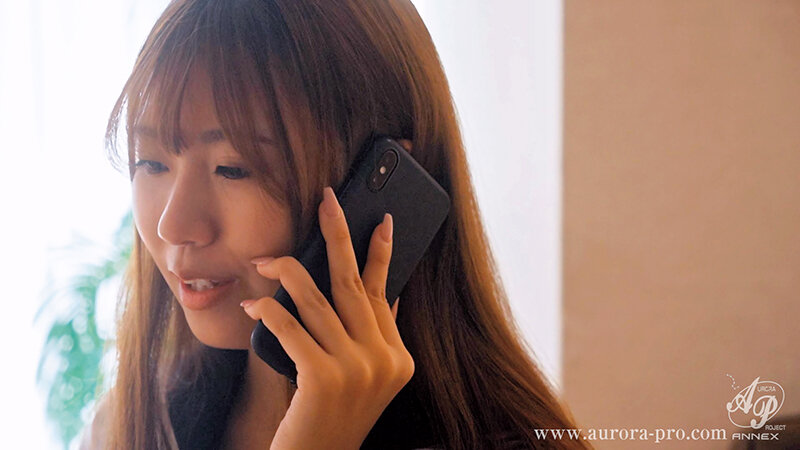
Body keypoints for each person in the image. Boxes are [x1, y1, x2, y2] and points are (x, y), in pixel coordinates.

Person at [79, 0, 591, 448]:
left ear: (383, 183)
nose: (173, 226)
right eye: (151, 162)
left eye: (233, 168)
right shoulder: (127, 427)